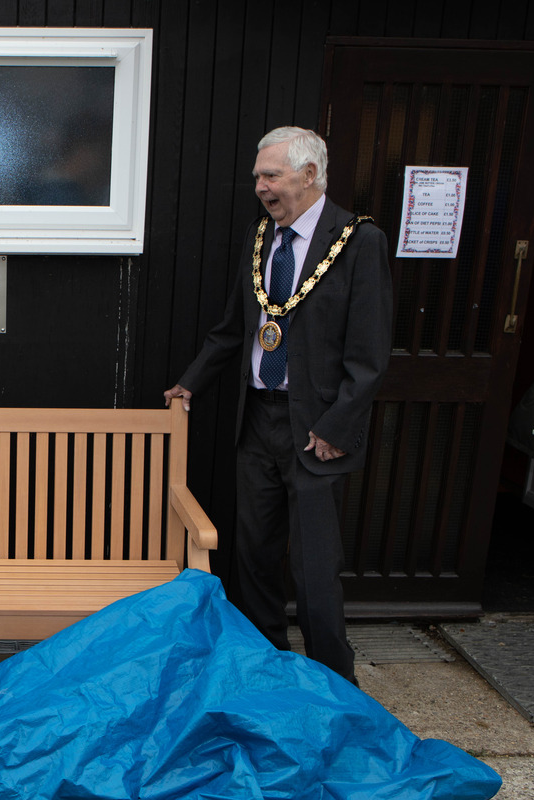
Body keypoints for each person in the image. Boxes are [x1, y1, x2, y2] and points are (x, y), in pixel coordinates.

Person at [164, 127, 392, 684]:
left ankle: (335, 684)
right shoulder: (261, 236)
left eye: (271, 176)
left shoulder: (359, 242)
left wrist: (337, 425)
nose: (261, 188)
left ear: (309, 175)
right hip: (258, 420)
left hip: (317, 428)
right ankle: (267, 673)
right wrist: (190, 383)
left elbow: (370, 354)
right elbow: (233, 330)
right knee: (254, 557)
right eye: (257, 178)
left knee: (314, 568)